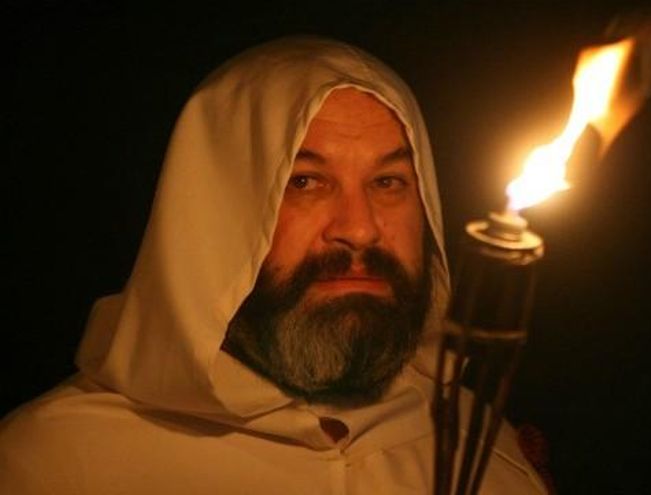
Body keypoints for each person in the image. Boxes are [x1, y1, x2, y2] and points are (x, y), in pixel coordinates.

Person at [0, 37, 546, 494]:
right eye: (305, 182)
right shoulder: (52, 467)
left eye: (388, 182)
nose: (359, 228)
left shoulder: (484, 450)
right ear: (217, 215)